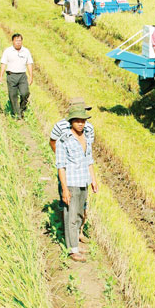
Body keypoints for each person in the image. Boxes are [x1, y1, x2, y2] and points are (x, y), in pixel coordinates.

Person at [56, 104, 98, 262]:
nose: (81, 123)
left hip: (83, 181)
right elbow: (61, 167)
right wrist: (65, 189)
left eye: (83, 120)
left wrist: (93, 179)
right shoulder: (64, 140)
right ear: (71, 121)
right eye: (78, 121)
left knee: (80, 213)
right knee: (71, 216)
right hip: (72, 182)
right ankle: (73, 249)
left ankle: (77, 243)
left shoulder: (86, 137)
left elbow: (89, 160)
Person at [50, 98, 94, 243]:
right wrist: (64, 160)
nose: (82, 121)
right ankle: (70, 236)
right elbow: (53, 141)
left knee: (82, 205)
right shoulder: (60, 127)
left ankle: (78, 232)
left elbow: (87, 152)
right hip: (68, 173)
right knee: (68, 203)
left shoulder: (88, 129)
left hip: (81, 175)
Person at [0, 34, 34, 120]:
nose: (18, 43)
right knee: (12, 95)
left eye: (20, 41)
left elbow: (29, 64)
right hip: (11, 75)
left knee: (25, 93)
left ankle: (21, 109)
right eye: (16, 41)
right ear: (12, 41)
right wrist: (1, 76)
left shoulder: (26, 51)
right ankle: (17, 114)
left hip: (22, 76)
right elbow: (3, 63)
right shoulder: (8, 51)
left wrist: (31, 76)